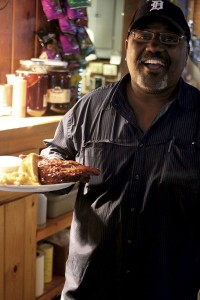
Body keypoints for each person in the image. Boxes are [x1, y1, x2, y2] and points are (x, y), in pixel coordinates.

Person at [41, 1, 200, 299]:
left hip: (169, 289)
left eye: (169, 38)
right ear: (128, 44)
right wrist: (48, 167)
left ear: (185, 51)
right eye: (143, 36)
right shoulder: (89, 108)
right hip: (90, 289)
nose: (154, 47)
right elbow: (55, 154)